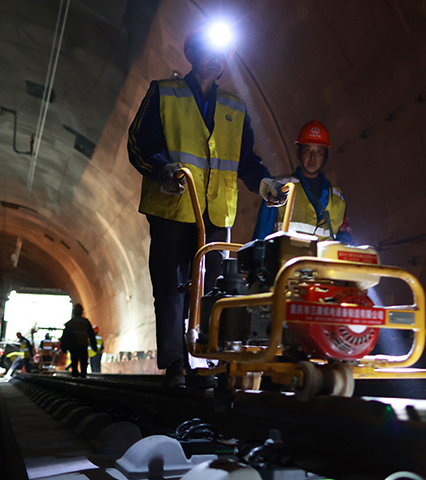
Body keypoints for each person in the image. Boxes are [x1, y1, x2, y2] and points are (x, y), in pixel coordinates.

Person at [127, 22, 286, 388]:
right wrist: (162, 169)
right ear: (194, 54)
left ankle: (208, 358)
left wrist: (264, 183)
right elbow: (139, 142)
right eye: (209, 51)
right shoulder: (163, 93)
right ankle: (175, 365)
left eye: (222, 54)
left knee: (212, 289)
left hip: (215, 213)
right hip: (172, 208)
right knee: (169, 287)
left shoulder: (234, 107)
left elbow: (246, 160)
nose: (216, 60)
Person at [254, 120, 353, 244]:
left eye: (319, 151)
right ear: (298, 152)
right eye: (307, 150)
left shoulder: (338, 197)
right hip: (287, 262)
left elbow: (345, 238)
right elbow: (261, 236)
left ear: (325, 155)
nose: (312, 157)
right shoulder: (279, 188)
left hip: (323, 263)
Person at [60, 303, 97, 378]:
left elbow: (65, 336)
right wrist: (94, 346)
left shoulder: (70, 323)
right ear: (81, 312)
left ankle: (75, 377)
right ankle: (83, 376)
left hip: (74, 347)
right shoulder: (86, 322)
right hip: (83, 345)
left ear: (74, 312)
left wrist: (64, 347)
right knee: (84, 362)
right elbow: (91, 335)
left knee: (74, 362)